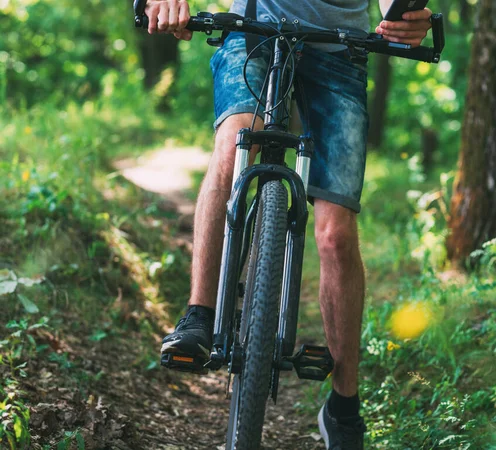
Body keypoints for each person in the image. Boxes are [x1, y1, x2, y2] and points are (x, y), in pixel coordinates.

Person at [145, 0, 431, 448]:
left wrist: (404, 17)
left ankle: (343, 408)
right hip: (254, 30)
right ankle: (199, 314)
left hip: (340, 51)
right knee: (235, 144)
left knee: (335, 234)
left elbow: (397, 4)